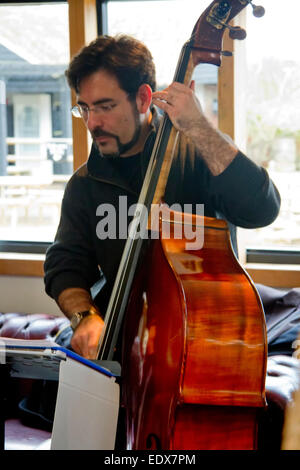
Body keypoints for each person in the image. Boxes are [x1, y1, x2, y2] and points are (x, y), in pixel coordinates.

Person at [44, 34, 281, 360]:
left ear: (143, 99)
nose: (92, 122)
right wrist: (83, 318)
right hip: (125, 350)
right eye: (84, 108)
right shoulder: (84, 185)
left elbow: (262, 210)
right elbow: (64, 268)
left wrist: (198, 127)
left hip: (205, 347)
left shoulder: (200, 157)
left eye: (105, 107)